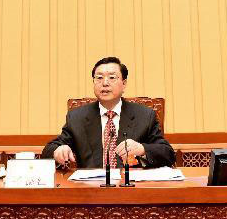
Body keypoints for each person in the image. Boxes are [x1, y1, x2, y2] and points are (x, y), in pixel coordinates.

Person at [42, 56, 175, 168]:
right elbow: (48, 150)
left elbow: (168, 154)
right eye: (99, 78)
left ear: (124, 84)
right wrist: (57, 151)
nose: (105, 83)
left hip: (131, 186)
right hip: (91, 187)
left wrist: (142, 149)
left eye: (112, 77)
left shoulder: (145, 115)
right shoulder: (77, 117)